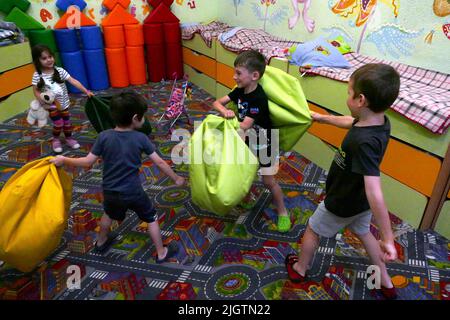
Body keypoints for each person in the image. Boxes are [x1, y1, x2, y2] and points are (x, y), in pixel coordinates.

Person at [285, 63, 401, 299]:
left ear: (361, 100)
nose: (346, 95)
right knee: (364, 234)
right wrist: (321, 118)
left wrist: (388, 238)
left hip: (342, 201)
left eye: (349, 92)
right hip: (359, 204)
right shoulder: (379, 122)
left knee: (313, 231)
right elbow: (351, 122)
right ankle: (385, 281)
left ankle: (300, 268)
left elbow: (375, 191)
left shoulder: (364, 143)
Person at [51, 91, 185, 263]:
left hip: (110, 191)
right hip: (133, 191)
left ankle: (100, 242)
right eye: (143, 116)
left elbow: (87, 162)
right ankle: (161, 252)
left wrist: (64, 159)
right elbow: (159, 163)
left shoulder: (103, 136)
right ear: (136, 118)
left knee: (108, 213)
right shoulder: (141, 138)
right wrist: (176, 178)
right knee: (151, 217)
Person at [212, 50, 291, 232]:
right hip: (247, 140)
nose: (234, 77)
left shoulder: (258, 98)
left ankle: (282, 211)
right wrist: (225, 112)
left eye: (238, 73)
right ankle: (247, 199)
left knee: (268, 182)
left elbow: (246, 124)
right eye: (235, 72)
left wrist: (228, 120)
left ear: (255, 75)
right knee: (245, 172)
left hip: (265, 143)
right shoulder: (239, 90)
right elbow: (217, 103)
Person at [32, 44, 94, 153]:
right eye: (44, 58)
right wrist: (42, 102)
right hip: (51, 105)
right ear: (37, 60)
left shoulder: (60, 71)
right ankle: (55, 140)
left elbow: (73, 81)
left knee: (67, 122)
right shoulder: (37, 75)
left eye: (50, 56)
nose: (48, 60)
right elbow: (36, 90)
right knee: (58, 123)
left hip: (64, 103)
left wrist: (86, 91)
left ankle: (69, 138)